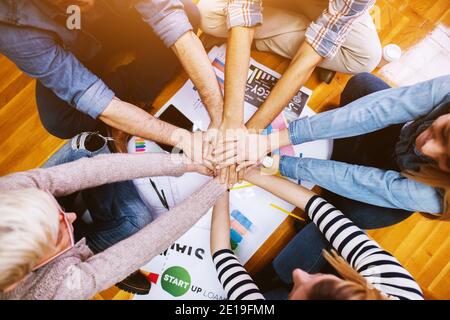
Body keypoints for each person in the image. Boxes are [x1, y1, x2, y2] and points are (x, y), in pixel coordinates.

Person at [213, 73, 450, 280]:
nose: (426, 149)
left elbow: (362, 181)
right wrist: (272, 142)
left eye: (441, 163)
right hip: (395, 138)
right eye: (442, 133)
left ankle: (282, 273)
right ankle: (334, 170)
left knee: (351, 214)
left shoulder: (438, 195)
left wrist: (275, 163)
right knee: (362, 84)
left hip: (392, 190)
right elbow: (376, 110)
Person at [0, 135, 226, 300]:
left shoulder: (11, 190)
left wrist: (185, 164)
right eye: (58, 231)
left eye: (57, 211)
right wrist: (219, 186)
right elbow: (149, 242)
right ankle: (98, 258)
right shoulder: (59, 291)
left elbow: (96, 169)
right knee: (138, 221)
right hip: (64, 272)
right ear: (21, 278)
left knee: (89, 145)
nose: (71, 216)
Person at [0, 0, 223, 160]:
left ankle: (125, 103)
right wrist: (182, 138)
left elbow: (167, 16)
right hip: (72, 48)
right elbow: (88, 94)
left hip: (119, 19)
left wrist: (219, 113)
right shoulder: (9, 24)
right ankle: (129, 99)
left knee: (189, 14)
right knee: (59, 120)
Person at [198, 0, 382, 185]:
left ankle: (291, 31)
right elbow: (244, 10)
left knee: (366, 58)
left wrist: (252, 132)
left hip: (327, 8)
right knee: (207, 17)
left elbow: (317, 47)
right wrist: (232, 119)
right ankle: (313, 37)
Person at [209, 163, 424, 300]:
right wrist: (245, 171)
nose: (299, 273)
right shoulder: (396, 287)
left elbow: (223, 256)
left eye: (297, 290)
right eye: (321, 279)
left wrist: (219, 185)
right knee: (296, 256)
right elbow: (318, 207)